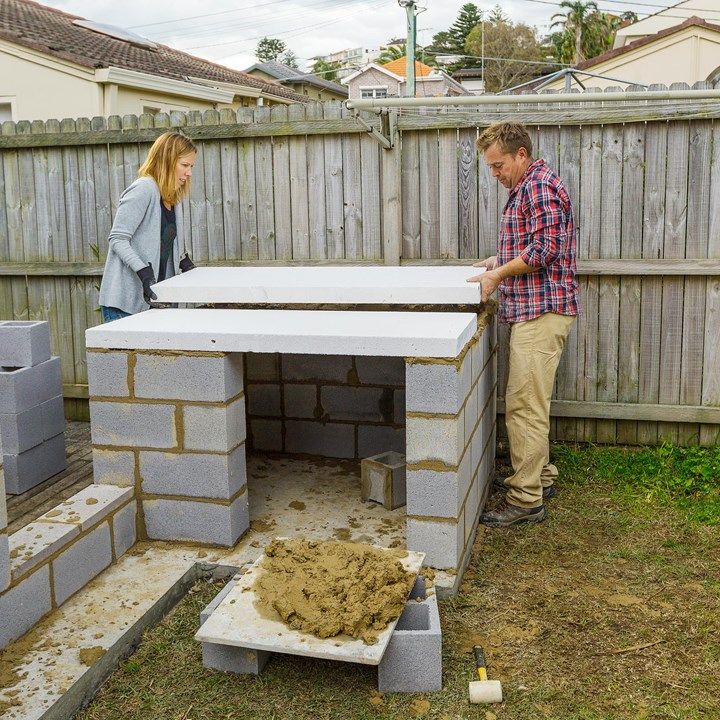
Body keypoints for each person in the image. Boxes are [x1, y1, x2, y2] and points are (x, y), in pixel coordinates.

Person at [467, 121, 580, 528]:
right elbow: (532, 243)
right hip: (536, 310)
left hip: (542, 312)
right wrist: (497, 261)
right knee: (532, 402)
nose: (494, 174)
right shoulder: (529, 185)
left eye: (498, 166)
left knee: (524, 407)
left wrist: (497, 277)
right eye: (490, 168)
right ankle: (540, 477)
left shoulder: (538, 186)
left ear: (521, 154)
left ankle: (526, 499)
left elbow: (546, 250)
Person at [99, 131, 197, 322]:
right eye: (184, 165)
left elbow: (161, 242)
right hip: (125, 305)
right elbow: (117, 239)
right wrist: (144, 273)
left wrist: (184, 262)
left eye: (191, 166)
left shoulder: (172, 197)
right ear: (166, 161)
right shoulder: (143, 189)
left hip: (154, 304)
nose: (189, 172)